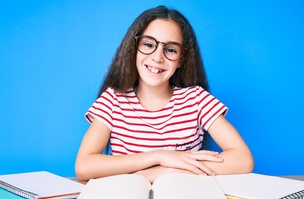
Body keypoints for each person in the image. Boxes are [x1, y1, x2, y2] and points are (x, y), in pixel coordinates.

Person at [75, 6, 253, 182]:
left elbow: (243, 159)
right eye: (149, 45)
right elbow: (84, 166)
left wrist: (165, 172)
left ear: (180, 60)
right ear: (134, 48)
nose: (158, 57)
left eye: (170, 50)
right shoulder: (113, 100)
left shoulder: (196, 100)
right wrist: (159, 157)